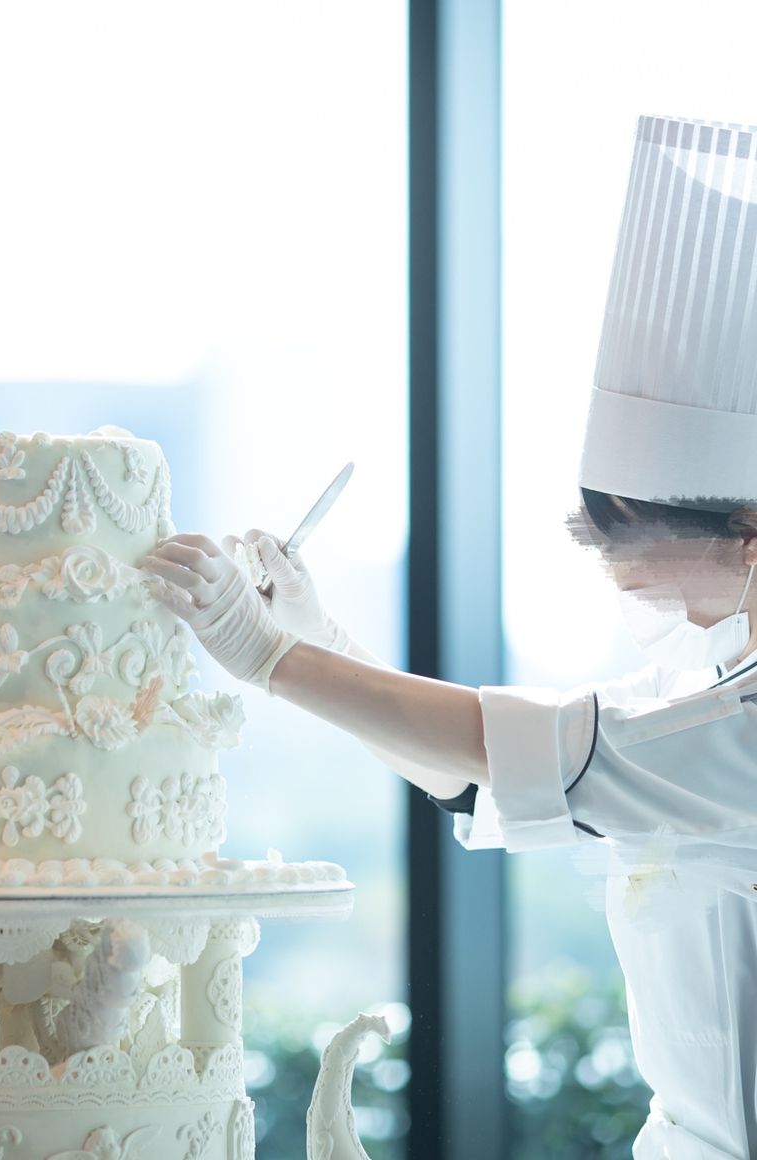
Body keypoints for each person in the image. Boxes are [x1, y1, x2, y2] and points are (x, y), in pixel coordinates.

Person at [142, 113, 757, 1160]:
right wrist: (321, 636)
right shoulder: (701, 671)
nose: (625, 576)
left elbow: (522, 751)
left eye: (648, 545)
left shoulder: (733, 721)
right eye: (610, 542)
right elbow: (485, 778)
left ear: (746, 535)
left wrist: (272, 655)